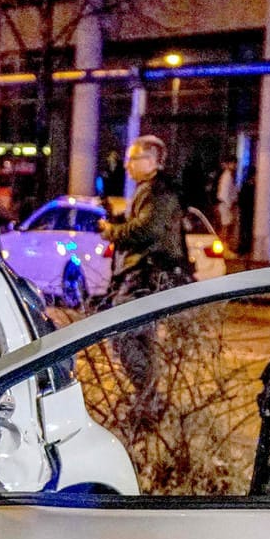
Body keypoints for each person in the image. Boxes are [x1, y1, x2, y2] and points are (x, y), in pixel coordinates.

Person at [99, 135, 191, 427]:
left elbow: (146, 230)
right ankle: (148, 404)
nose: (127, 165)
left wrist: (113, 231)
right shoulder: (150, 191)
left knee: (122, 333)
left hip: (148, 276)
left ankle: (149, 399)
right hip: (145, 275)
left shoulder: (160, 192)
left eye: (132, 159)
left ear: (151, 161)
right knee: (142, 339)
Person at [215, 155, 239, 249]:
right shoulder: (227, 176)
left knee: (226, 226)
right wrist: (230, 205)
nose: (235, 166)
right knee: (225, 227)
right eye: (234, 163)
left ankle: (224, 246)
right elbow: (225, 193)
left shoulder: (228, 175)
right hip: (225, 204)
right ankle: (223, 247)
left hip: (225, 204)